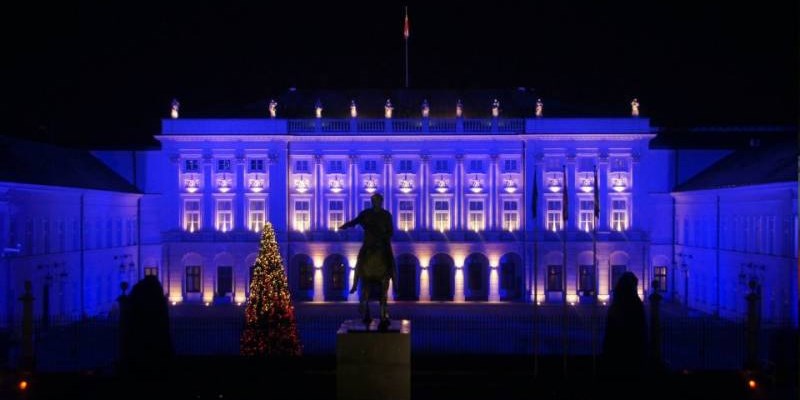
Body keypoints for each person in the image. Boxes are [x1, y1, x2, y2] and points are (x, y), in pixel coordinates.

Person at [339, 193, 396, 327]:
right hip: (369, 243)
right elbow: (356, 221)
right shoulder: (366, 214)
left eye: (377, 200)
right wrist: (346, 225)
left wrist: (383, 237)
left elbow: (391, 231)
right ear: (372, 202)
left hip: (382, 243)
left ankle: (394, 278)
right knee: (359, 260)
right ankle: (354, 284)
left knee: (390, 260)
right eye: (374, 200)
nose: (375, 202)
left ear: (381, 202)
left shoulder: (386, 215)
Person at [601, 271, 646, 390]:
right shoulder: (636, 303)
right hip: (631, 351)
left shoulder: (616, 305)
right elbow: (641, 328)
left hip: (616, 352)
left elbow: (609, 331)